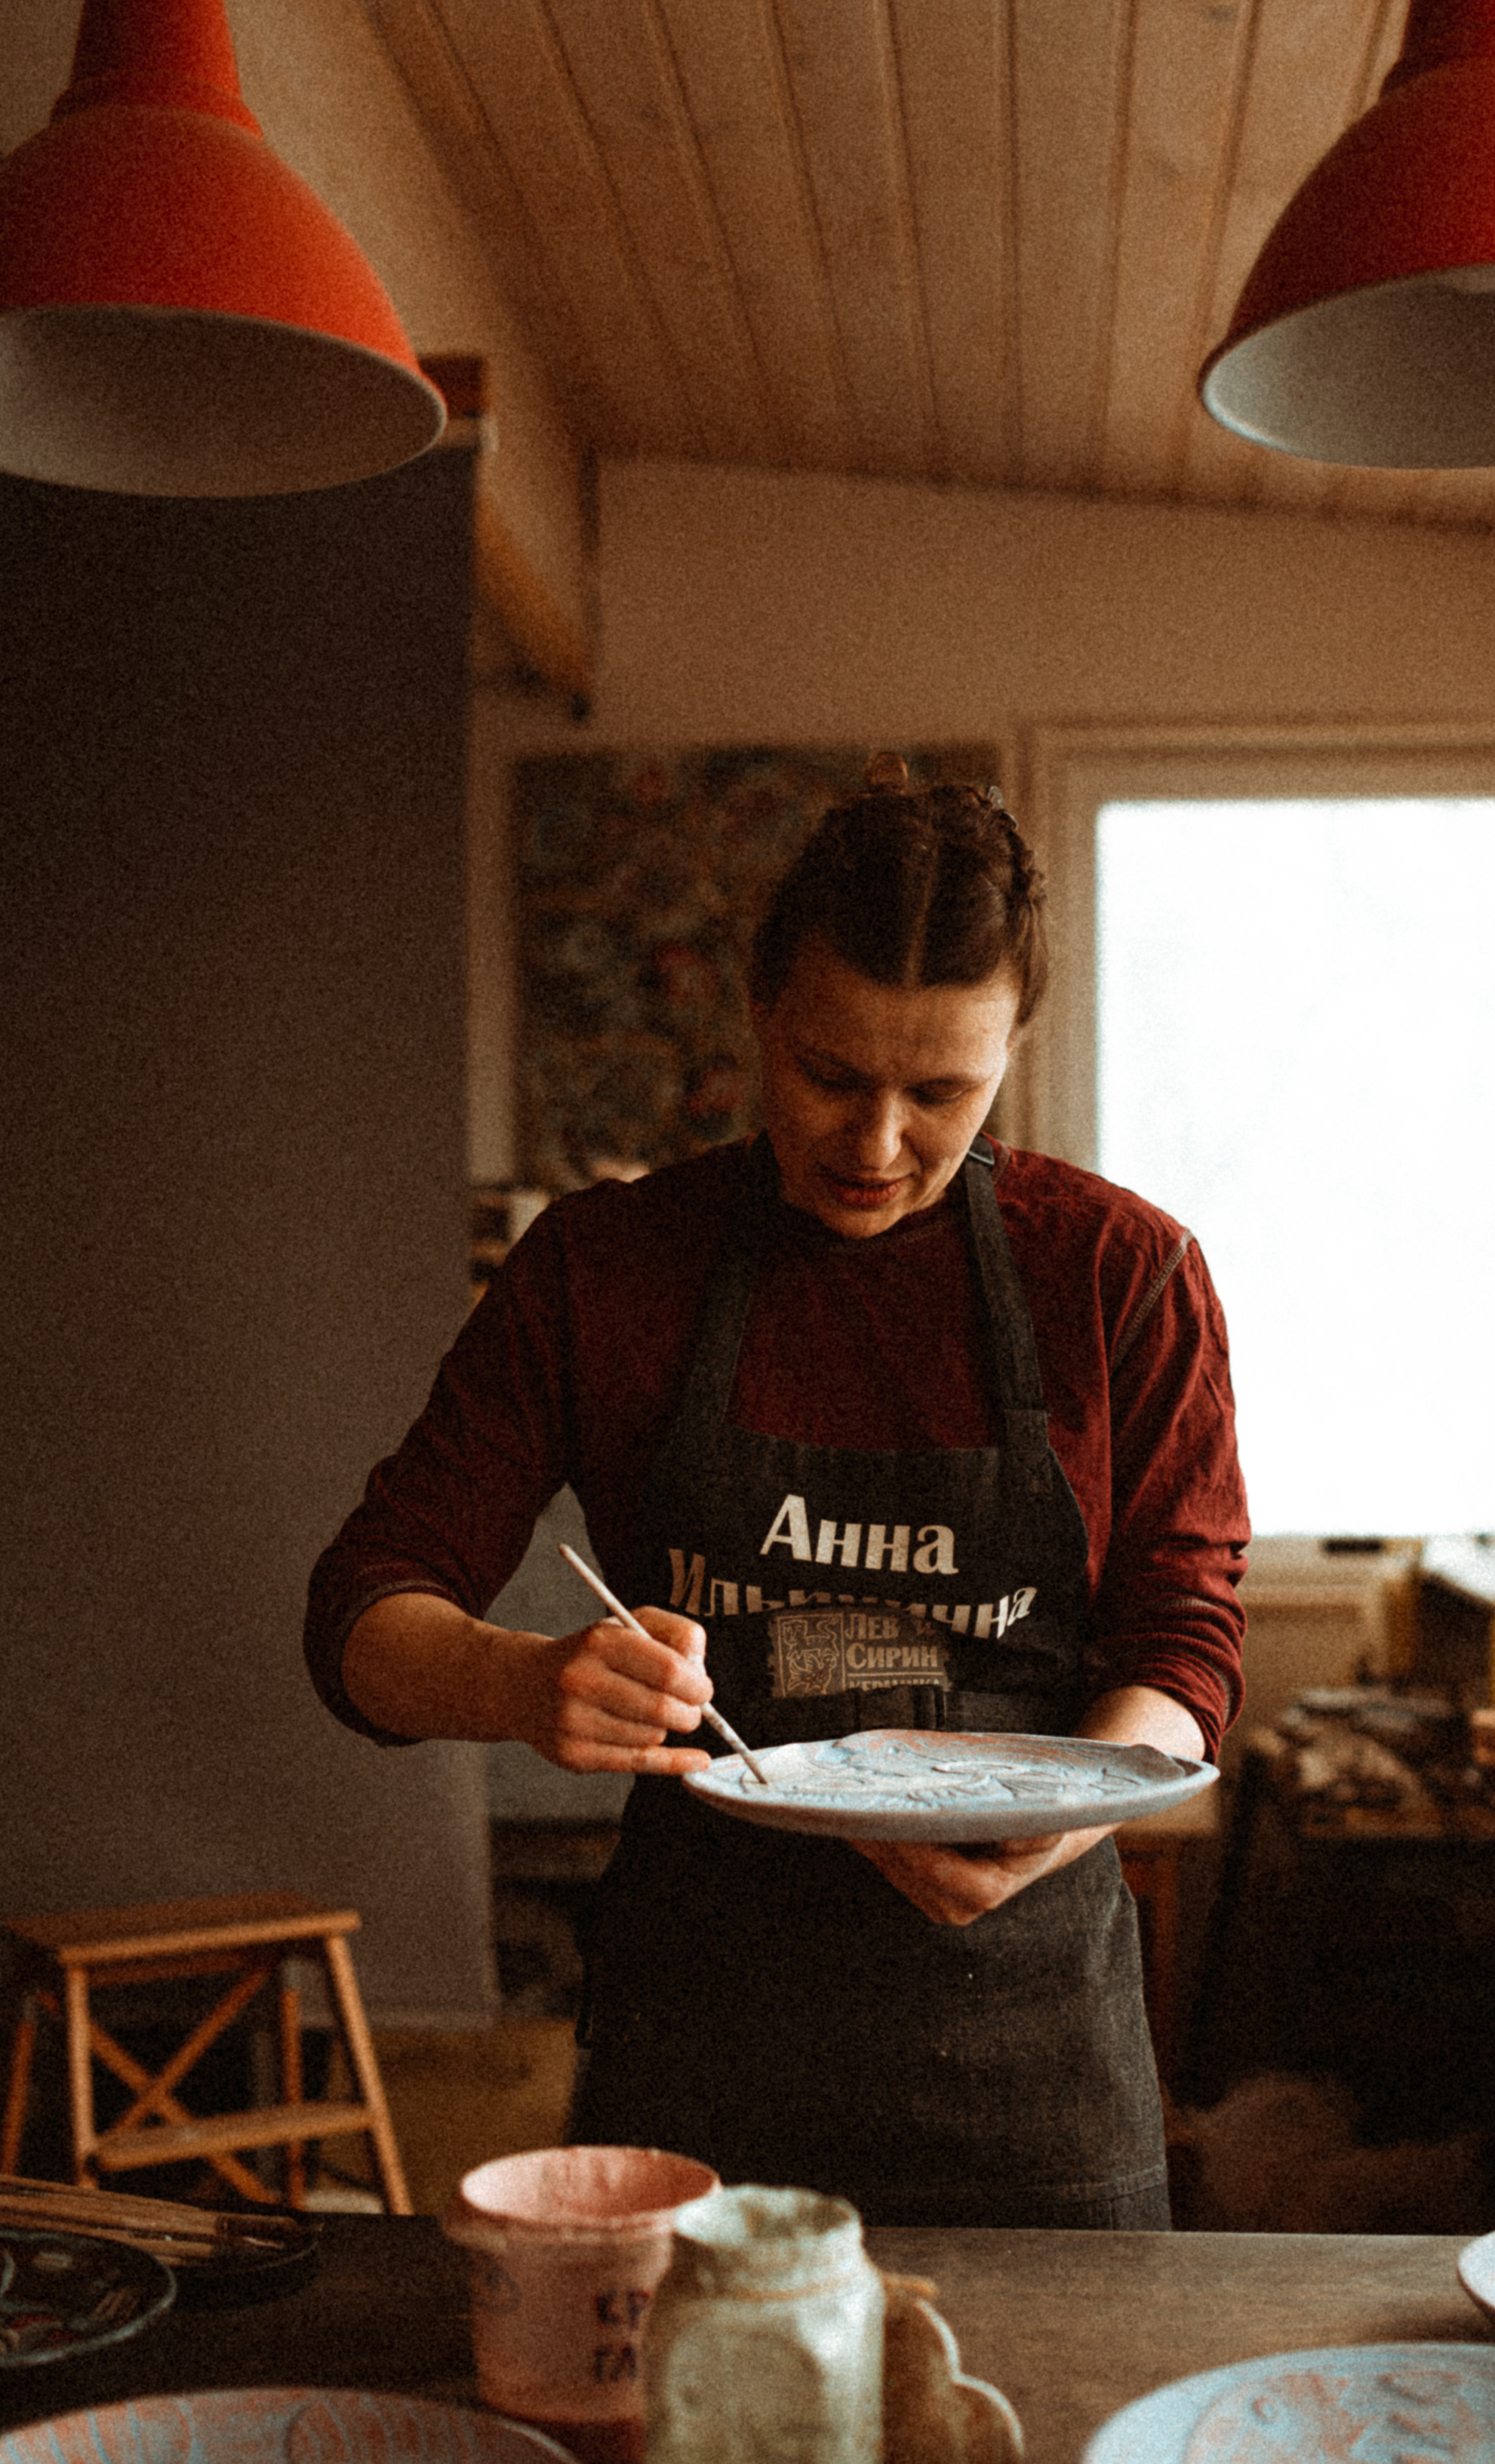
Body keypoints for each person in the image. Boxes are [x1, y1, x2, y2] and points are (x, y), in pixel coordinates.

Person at [305, 763, 1248, 2226]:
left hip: (1030, 2053)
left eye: (939, 1092)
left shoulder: (1120, 1275)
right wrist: (520, 1681)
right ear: (755, 1007)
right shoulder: (606, 1267)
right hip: (704, 2052)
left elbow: (1182, 1638)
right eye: (828, 1074)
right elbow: (364, 1611)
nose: (875, 1145)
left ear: (1015, 1047)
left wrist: (1068, 1806)